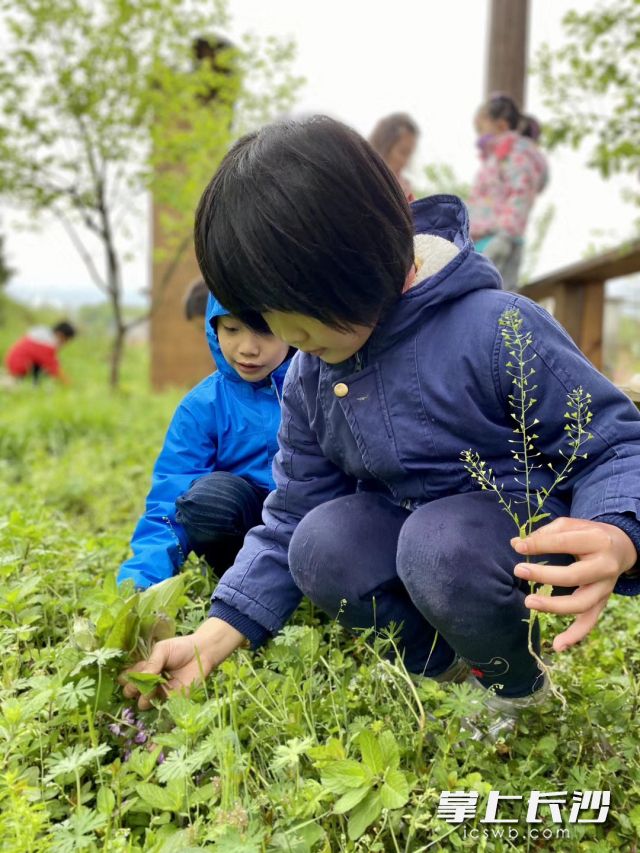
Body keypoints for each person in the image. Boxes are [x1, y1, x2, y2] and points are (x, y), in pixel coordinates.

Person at [122, 117, 640, 723]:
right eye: (262, 315)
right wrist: (213, 637)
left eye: (294, 314)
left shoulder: (497, 328)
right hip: (424, 542)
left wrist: (617, 532)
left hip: (515, 542)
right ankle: (447, 665)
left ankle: (517, 689)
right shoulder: (311, 374)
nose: (286, 337)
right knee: (320, 542)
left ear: (360, 261)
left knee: (438, 545)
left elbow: (616, 446)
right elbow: (289, 515)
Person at [117, 295, 292, 589]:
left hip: (307, 523)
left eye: (266, 330)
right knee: (209, 499)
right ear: (214, 329)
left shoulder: (321, 390)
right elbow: (170, 498)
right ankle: (240, 582)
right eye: (232, 330)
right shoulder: (201, 406)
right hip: (240, 533)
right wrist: (140, 585)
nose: (248, 349)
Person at [467, 94, 548, 290]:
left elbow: (520, 194)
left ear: (501, 126)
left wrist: (505, 235)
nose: (479, 136)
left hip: (500, 240)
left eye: (481, 128)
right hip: (482, 240)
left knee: (495, 305)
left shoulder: (515, 154)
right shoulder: (495, 157)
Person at [5, 320, 76, 384]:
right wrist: (68, 382)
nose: (64, 343)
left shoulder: (41, 336)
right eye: (66, 340)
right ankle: (31, 383)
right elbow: (53, 367)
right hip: (19, 367)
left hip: (14, 361)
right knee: (44, 370)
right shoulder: (46, 344)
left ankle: (33, 382)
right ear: (60, 335)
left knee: (42, 368)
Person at [369, 112, 419, 200]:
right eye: (403, 152)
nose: (406, 162)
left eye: (409, 154)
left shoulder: (406, 193)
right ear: (383, 146)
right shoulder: (361, 183)